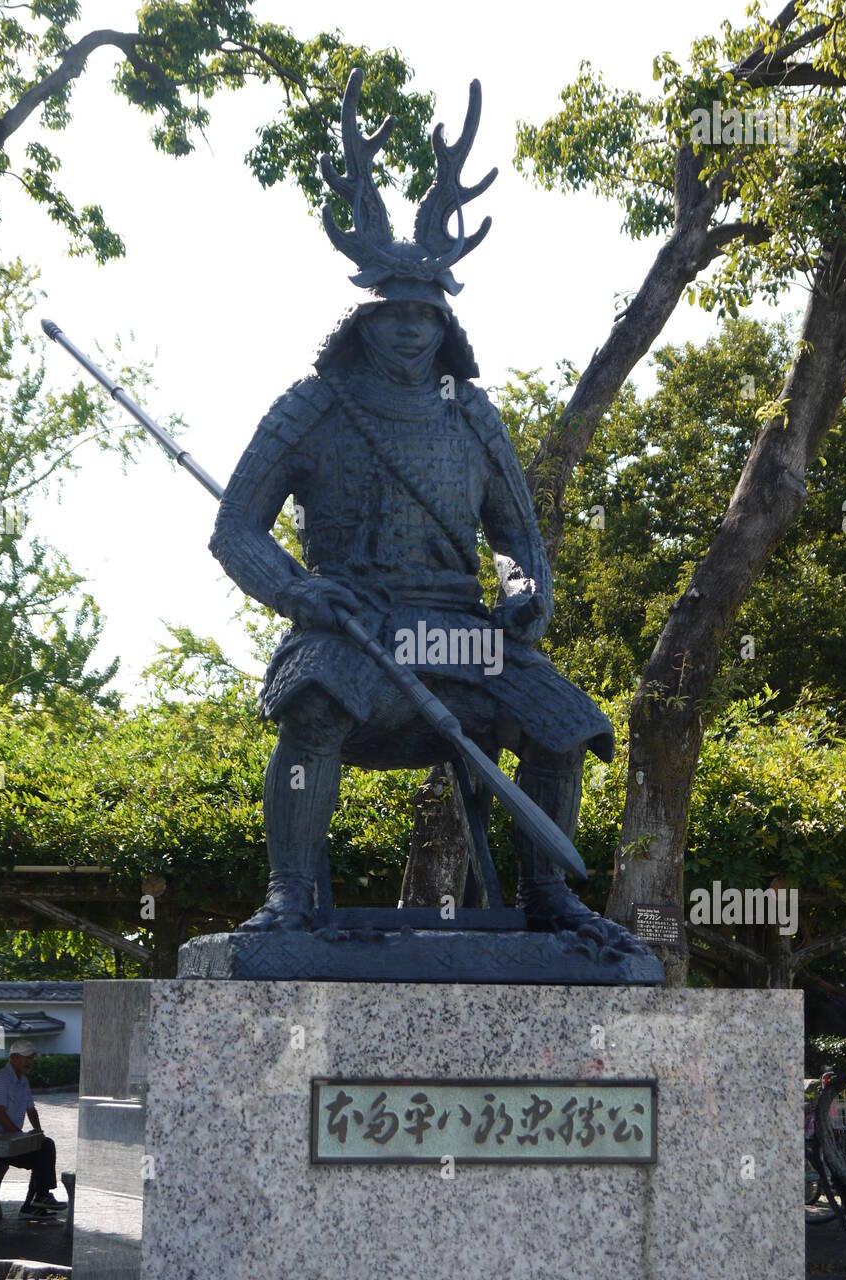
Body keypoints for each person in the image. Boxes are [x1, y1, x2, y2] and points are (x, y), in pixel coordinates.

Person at [208, 69, 661, 980]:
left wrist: (525, 592)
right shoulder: (311, 406)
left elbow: (518, 538)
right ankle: (289, 895)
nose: (411, 331)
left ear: (442, 324)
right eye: (394, 315)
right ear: (364, 322)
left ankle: (550, 900)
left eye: (425, 315)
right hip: (356, 623)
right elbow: (236, 531)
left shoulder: (471, 413)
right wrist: (299, 589)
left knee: (563, 723)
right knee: (316, 706)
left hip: (461, 634)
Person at [0, 1039, 67, 1219]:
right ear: (13, 1058)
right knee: (42, 1152)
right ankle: (35, 1202)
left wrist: (38, 1132)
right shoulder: (0, 1079)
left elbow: (31, 1110)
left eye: (32, 1058)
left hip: (13, 1142)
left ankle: (37, 1201)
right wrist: (20, 1136)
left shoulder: (23, 1081)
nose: (30, 1062)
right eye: (26, 1057)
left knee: (44, 1144)